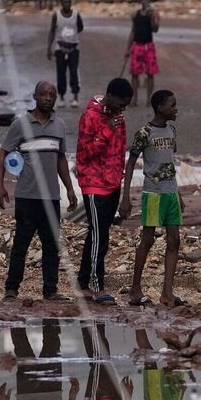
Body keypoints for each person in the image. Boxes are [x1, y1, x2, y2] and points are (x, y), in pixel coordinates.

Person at [0, 81, 78, 301]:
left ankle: (50, 291)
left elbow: (61, 159)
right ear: (35, 96)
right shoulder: (21, 124)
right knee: (21, 244)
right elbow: (3, 154)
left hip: (51, 196)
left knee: (51, 246)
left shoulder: (59, 125)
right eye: (43, 94)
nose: (48, 97)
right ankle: (11, 289)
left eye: (52, 94)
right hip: (26, 196)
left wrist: (70, 189)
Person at [120, 90, 184, 308]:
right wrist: (125, 196)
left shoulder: (172, 131)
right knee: (147, 240)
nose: (176, 109)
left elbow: (169, 164)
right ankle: (135, 289)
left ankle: (167, 292)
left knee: (174, 240)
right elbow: (130, 165)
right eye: (172, 105)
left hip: (171, 193)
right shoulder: (144, 133)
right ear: (159, 108)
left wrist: (179, 194)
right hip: (153, 194)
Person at [76, 78, 135, 304]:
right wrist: (106, 131)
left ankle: (84, 283)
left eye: (126, 106)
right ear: (110, 96)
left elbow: (120, 151)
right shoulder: (90, 117)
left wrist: (120, 182)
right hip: (93, 184)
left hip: (112, 184)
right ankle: (96, 285)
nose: (123, 109)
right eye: (121, 104)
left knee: (99, 234)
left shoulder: (119, 118)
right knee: (99, 235)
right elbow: (84, 154)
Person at [48, 0, 84, 109]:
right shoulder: (56, 15)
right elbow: (52, 31)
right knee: (61, 72)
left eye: (69, 2)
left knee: (74, 72)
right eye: (65, 2)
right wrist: (49, 48)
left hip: (74, 48)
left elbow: (80, 27)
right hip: (60, 48)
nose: (67, 4)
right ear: (61, 3)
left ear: (71, 3)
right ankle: (62, 97)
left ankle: (75, 97)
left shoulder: (76, 15)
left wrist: (71, 35)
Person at [125, 0, 160, 107]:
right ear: (140, 1)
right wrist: (127, 48)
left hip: (148, 46)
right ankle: (134, 98)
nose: (145, 1)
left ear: (150, 1)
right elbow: (133, 31)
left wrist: (151, 18)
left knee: (150, 73)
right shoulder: (136, 14)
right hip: (137, 46)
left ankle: (149, 99)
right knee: (134, 74)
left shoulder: (154, 13)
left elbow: (155, 29)